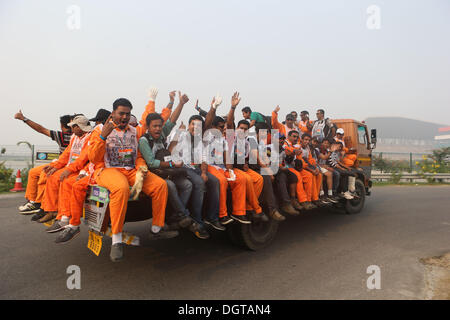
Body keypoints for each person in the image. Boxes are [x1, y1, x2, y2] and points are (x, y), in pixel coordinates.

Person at [89, 98, 174, 262]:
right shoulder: (100, 129)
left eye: (127, 114)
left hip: (132, 170)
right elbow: (93, 158)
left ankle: (157, 229)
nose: (124, 117)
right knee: (121, 189)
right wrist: (102, 137)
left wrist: (142, 167)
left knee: (160, 185)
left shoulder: (135, 131)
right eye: (121, 113)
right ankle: (116, 240)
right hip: (107, 170)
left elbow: (140, 154)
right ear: (113, 113)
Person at [138, 92, 194, 230]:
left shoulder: (162, 134)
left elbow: (172, 120)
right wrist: (171, 164)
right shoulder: (144, 141)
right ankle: (183, 215)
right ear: (148, 127)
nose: (158, 129)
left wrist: (180, 103)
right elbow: (151, 163)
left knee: (187, 185)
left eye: (159, 126)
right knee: (170, 186)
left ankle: (174, 214)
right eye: (154, 126)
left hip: (167, 171)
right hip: (155, 174)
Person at [169, 107, 222, 240]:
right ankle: (197, 221)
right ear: (189, 125)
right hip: (183, 169)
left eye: (199, 126)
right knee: (198, 182)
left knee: (215, 181)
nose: (195, 127)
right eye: (193, 124)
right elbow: (170, 152)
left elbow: (204, 158)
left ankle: (212, 217)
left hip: (196, 168)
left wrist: (204, 172)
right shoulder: (180, 135)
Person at [36, 115, 93, 223]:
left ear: (79, 127)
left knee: (64, 181)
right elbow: (66, 154)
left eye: (73, 126)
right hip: (72, 167)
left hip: (80, 169)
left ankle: (63, 215)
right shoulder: (74, 137)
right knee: (51, 176)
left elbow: (83, 159)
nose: (71, 128)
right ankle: (51, 210)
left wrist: (69, 170)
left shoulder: (89, 138)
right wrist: (56, 165)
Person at [14, 111, 73, 215]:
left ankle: (37, 202)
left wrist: (24, 119)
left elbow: (40, 129)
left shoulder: (62, 136)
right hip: (62, 164)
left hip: (62, 166)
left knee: (42, 174)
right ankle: (32, 201)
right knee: (33, 172)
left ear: (62, 125)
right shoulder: (76, 136)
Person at [225, 101, 268, 223]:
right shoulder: (231, 137)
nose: (243, 130)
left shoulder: (247, 142)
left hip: (242, 168)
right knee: (247, 179)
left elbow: (247, 158)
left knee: (259, 179)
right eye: (241, 128)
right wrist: (233, 107)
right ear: (236, 128)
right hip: (230, 168)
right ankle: (257, 209)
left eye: (245, 129)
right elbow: (229, 122)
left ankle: (249, 208)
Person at [282, 130, 315, 210]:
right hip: (286, 167)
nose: (296, 138)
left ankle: (308, 200)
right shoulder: (285, 143)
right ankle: (302, 201)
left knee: (309, 175)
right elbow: (287, 150)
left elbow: (300, 160)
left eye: (297, 137)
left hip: (294, 166)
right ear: (289, 136)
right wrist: (294, 151)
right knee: (298, 176)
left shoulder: (297, 146)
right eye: (294, 136)